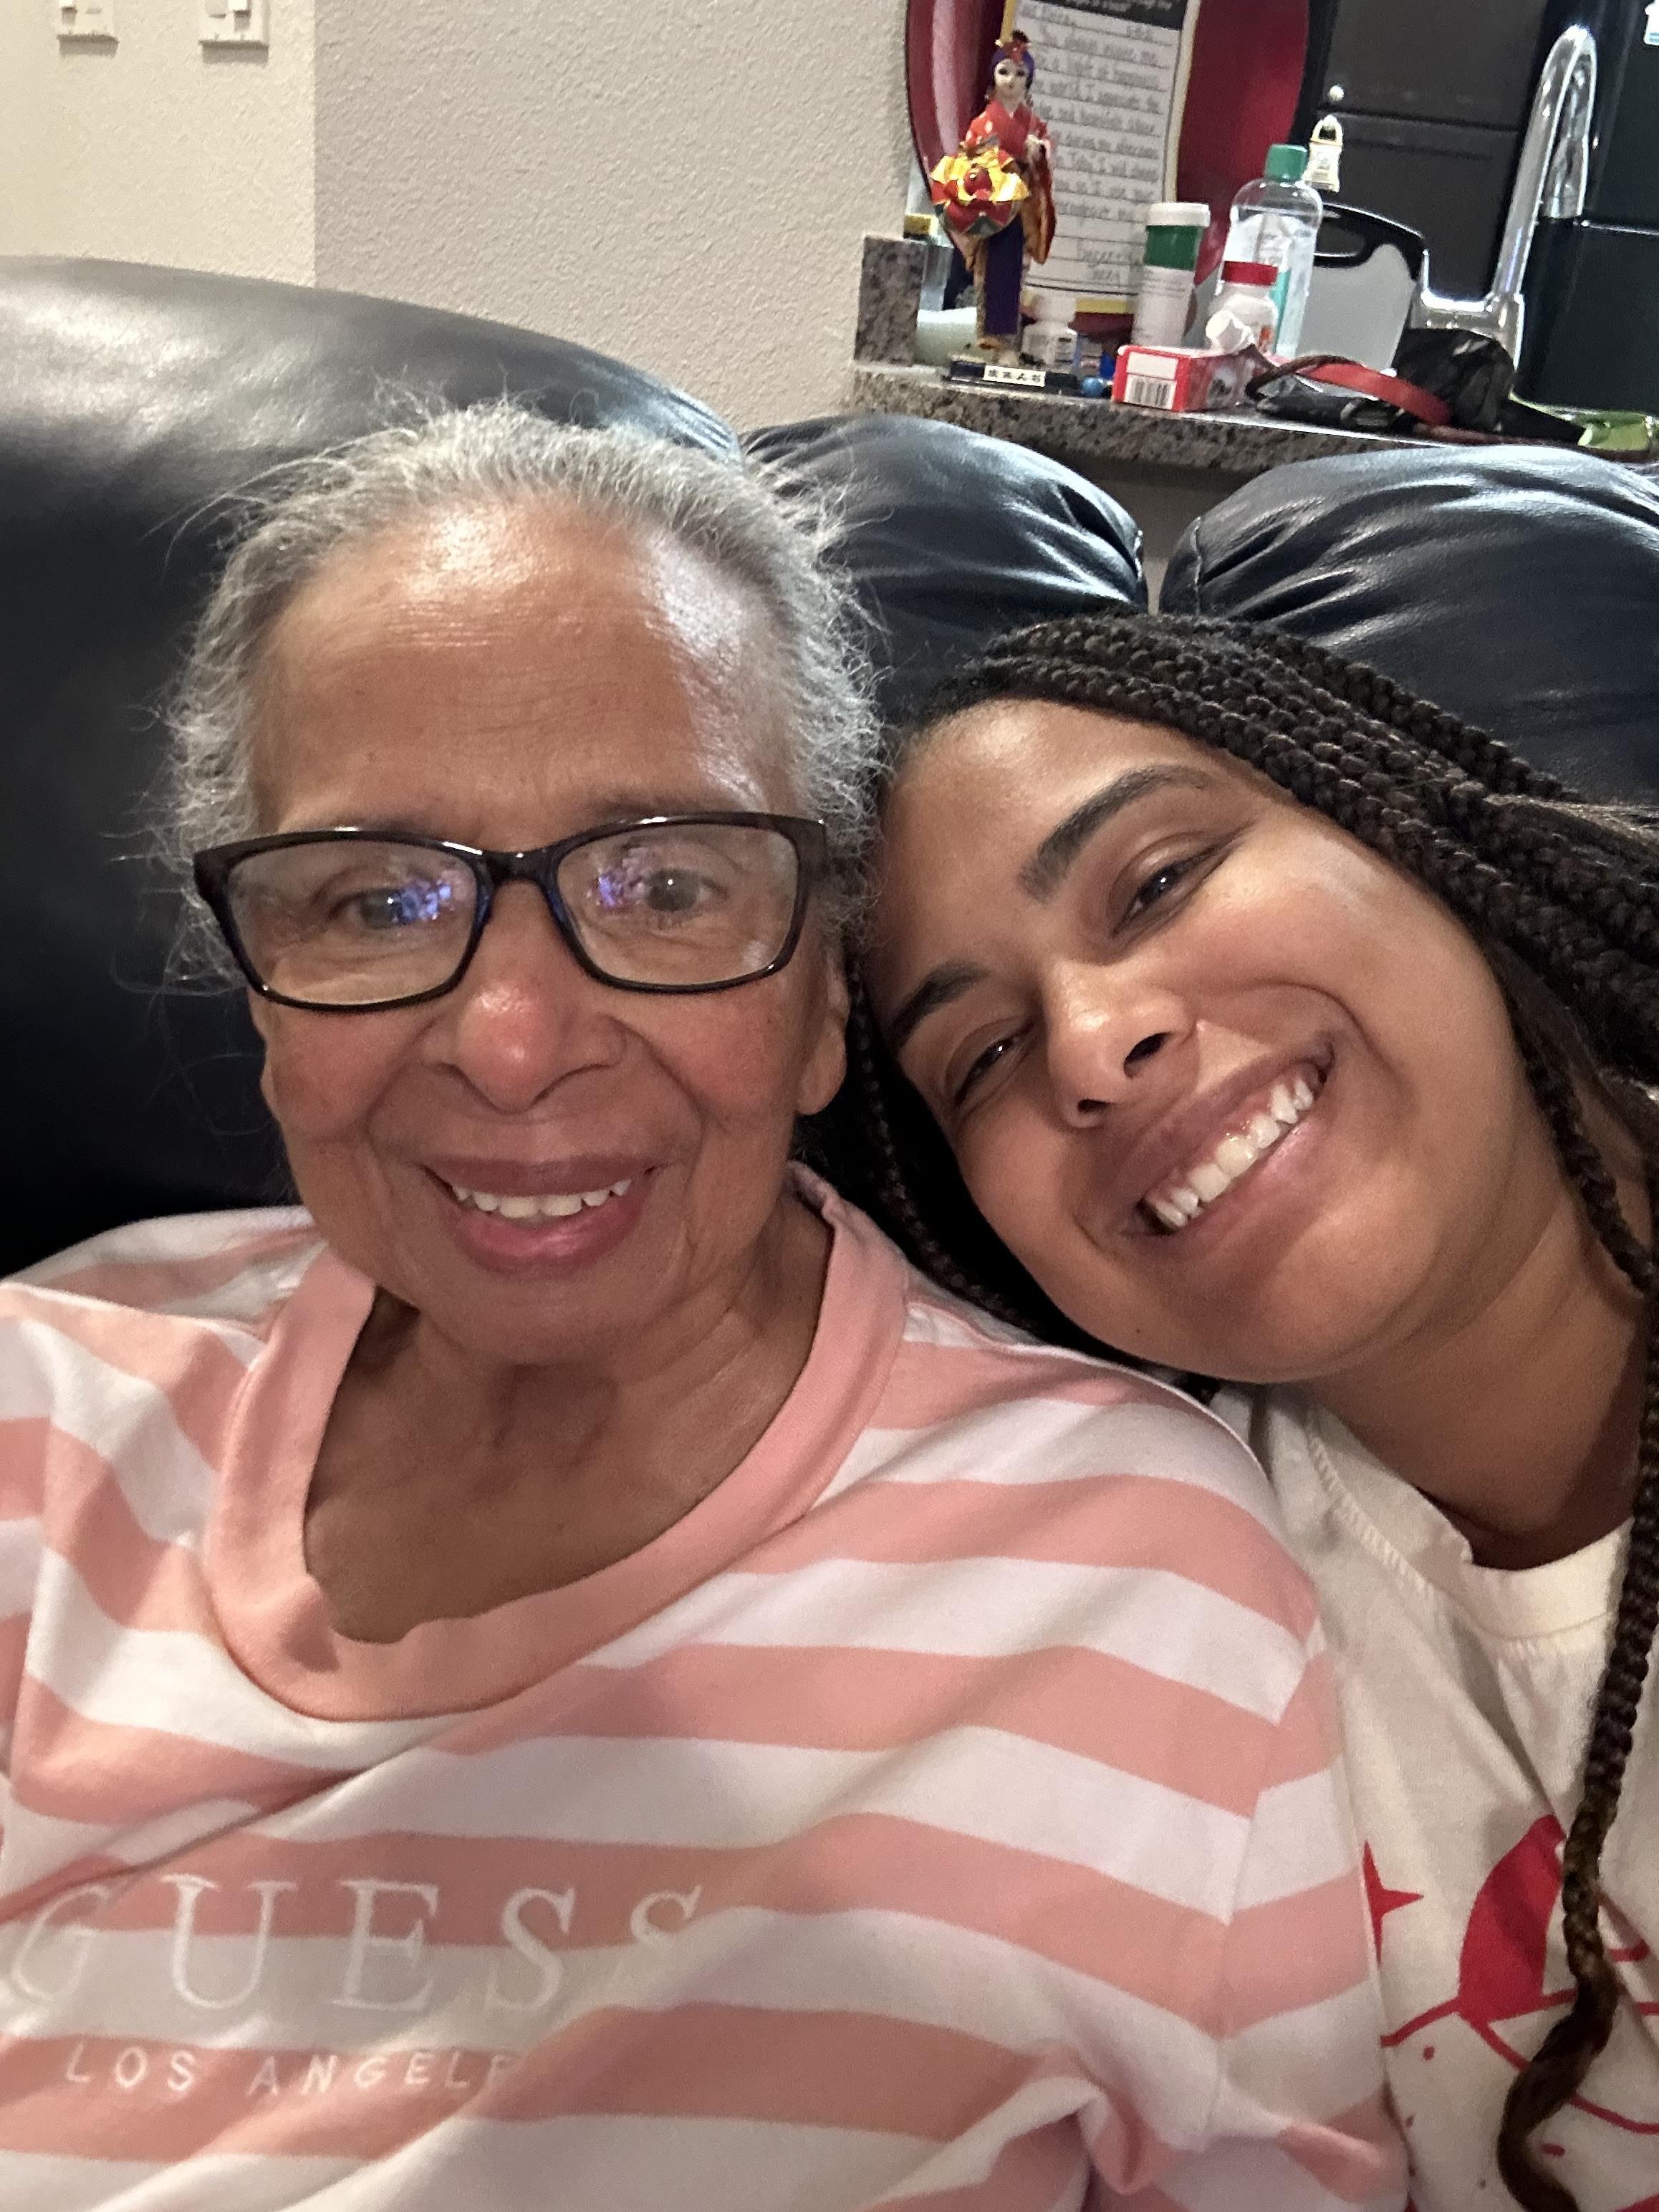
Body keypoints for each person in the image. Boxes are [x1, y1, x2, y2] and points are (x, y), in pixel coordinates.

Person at [0, 418, 1405, 2211]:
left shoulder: (1130, 1572)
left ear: (824, 994)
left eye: (663, 884)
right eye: (376, 896)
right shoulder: (42, 1398)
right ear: (261, 987)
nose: (509, 1043)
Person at [848, 607, 1659, 2212]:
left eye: (1157, 880)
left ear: (1395, 824)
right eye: (986, 1049)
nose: (1091, 1043)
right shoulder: (1156, 1612)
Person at [928, 30, 1056, 356]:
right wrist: (990, 156)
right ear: (994, 76)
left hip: (1020, 206)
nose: (1012, 80)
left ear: (1029, 80)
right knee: (989, 272)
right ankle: (988, 339)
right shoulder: (982, 123)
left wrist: (1037, 151)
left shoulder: (1035, 125)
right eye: (1004, 72)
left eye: (1020, 73)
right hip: (992, 202)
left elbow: (1046, 153)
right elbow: (968, 157)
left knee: (1015, 274)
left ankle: (1008, 344)